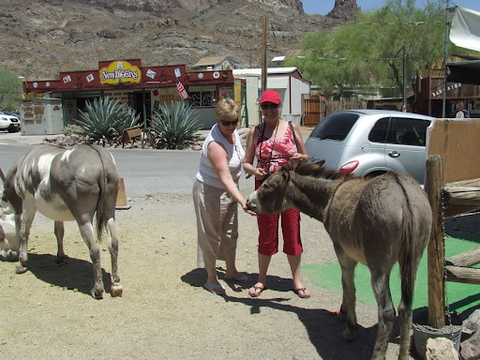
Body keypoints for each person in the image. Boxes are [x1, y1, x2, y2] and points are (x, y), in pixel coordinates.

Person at [243, 90, 311, 299]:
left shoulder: (292, 128)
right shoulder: (256, 131)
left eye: (273, 106)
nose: (269, 110)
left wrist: (301, 157)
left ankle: (297, 280)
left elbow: (306, 157)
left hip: (289, 191)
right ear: (261, 109)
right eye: (265, 107)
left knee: (292, 232)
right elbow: (246, 163)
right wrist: (254, 171)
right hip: (266, 192)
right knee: (266, 234)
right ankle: (262, 278)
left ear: (279, 106)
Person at [193, 98, 256, 295]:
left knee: (230, 232)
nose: (230, 126)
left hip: (230, 189)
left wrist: (249, 167)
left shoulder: (233, 132)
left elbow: (239, 158)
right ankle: (211, 278)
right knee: (210, 235)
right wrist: (243, 201)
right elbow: (225, 178)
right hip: (210, 190)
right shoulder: (215, 145)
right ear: (218, 120)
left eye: (234, 121)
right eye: (225, 122)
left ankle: (231, 270)